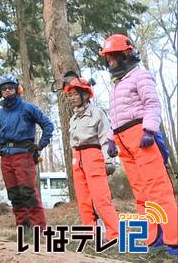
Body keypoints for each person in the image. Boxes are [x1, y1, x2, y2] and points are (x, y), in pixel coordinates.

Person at [100, 33, 177, 255]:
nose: (110, 62)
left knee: (158, 190)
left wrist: (149, 130)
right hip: (124, 142)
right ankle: (154, 239)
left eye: (112, 57)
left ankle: (174, 241)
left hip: (142, 137)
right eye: (108, 59)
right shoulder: (117, 85)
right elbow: (116, 117)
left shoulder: (140, 75)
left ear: (125, 54)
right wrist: (112, 140)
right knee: (141, 193)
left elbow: (152, 103)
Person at [0, 75, 54, 231]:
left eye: (10, 87)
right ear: (0, 92)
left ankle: (39, 228)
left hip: (23, 155)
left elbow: (48, 125)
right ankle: (23, 228)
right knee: (14, 194)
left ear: (17, 89)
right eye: (4, 89)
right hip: (5, 157)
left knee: (28, 192)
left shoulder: (28, 108)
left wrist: (40, 145)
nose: (8, 91)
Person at [65, 77, 119, 241]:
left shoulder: (97, 113)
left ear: (85, 94)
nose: (72, 97)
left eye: (75, 94)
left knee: (100, 198)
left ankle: (114, 234)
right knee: (83, 199)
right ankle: (90, 233)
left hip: (93, 155)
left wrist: (108, 160)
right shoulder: (73, 119)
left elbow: (105, 138)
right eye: (70, 95)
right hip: (77, 158)